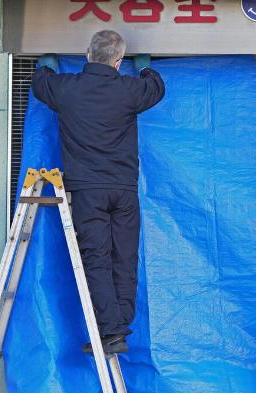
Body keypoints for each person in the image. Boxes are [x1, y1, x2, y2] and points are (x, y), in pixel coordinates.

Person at [32, 30, 165, 353]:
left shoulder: (67, 89)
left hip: (88, 190)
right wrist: (146, 68)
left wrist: (46, 66)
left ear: (87, 53)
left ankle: (112, 329)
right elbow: (156, 88)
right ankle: (118, 326)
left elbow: (40, 83)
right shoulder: (129, 90)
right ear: (119, 61)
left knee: (96, 259)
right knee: (124, 257)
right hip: (123, 190)